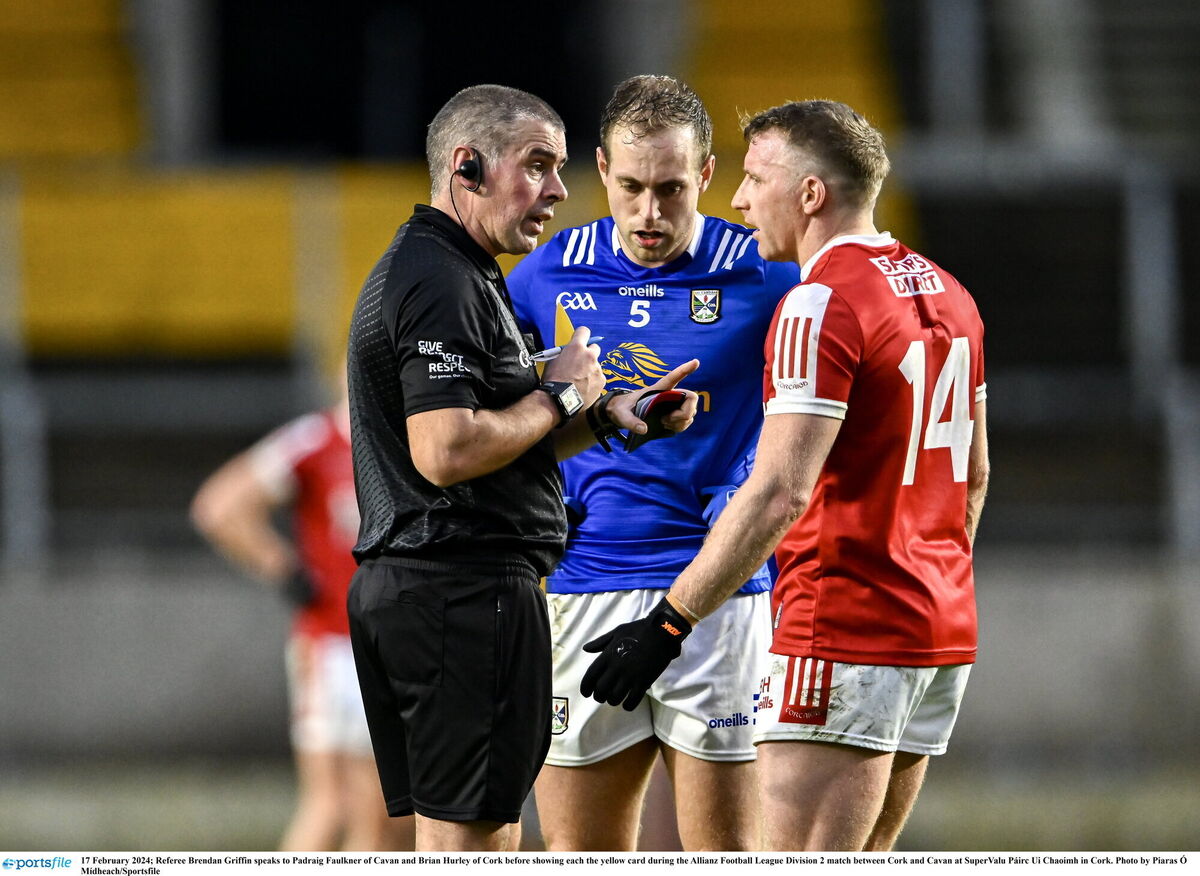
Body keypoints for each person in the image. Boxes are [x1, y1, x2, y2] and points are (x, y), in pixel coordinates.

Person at [579, 99, 990, 852]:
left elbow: (779, 492)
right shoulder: (949, 293)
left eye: (756, 177)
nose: (737, 199)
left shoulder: (818, 302)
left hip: (840, 627)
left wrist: (669, 624)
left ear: (810, 195)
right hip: (938, 630)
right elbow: (974, 479)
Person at [343, 84, 700, 853]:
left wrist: (606, 417)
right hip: (461, 591)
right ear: (466, 167)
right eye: (537, 166)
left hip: (430, 590)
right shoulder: (439, 279)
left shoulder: (455, 270)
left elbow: (496, 442)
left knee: (453, 840)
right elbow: (447, 452)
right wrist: (566, 390)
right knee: (477, 845)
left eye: (561, 168)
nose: (559, 190)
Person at [506, 75, 799, 851]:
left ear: (707, 175)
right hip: (580, 590)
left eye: (671, 188)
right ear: (600, 169)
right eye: (630, 187)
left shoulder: (771, 274)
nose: (649, 213)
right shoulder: (540, 277)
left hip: (717, 601)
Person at [190, 379, 413, 852]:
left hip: (384, 644)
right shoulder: (316, 440)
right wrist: (286, 571)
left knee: (375, 810)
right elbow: (220, 506)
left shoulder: (405, 443)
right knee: (339, 805)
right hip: (335, 645)